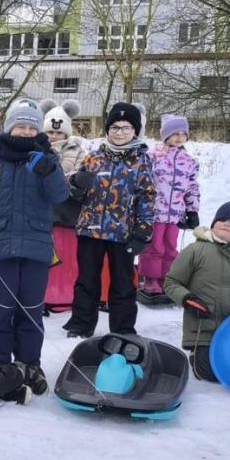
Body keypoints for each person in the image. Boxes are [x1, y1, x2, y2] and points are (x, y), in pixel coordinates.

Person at [0, 99, 69, 393]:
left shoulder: (48, 159)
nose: (26, 132)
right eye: (20, 125)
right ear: (10, 127)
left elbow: (61, 196)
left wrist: (48, 172)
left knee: (30, 310)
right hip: (1, 247)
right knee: (0, 309)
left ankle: (29, 364)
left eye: (31, 127)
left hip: (37, 248)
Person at [64, 102, 155, 339]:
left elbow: (147, 198)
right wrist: (76, 185)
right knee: (86, 280)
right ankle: (80, 324)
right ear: (108, 129)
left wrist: (143, 232)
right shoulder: (93, 158)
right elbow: (77, 196)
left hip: (122, 233)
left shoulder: (142, 161)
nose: (119, 132)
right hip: (90, 230)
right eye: (115, 127)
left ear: (135, 131)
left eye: (126, 128)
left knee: (123, 284)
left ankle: (123, 328)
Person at [164, 202, 230, 381]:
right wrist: (187, 299)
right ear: (213, 224)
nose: (227, 223)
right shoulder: (196, 250)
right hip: (203, 332)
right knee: (211, 373)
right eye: (222, 220)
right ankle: (199, 358)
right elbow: (172, 282)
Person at [140, 114, 200, 299]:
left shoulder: (189, 162)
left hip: (175, 214)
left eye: (183, 133)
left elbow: (192, 187)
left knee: (170, 246)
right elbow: (143, 182)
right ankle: (150, 278)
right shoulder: (153, 157)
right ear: (165, 135)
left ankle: (167, 277)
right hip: (155, 213)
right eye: (175, 133)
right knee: (154, 246)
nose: (179, 137)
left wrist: (192, 210)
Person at [41, 98, 88, 314]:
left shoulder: (78, 151)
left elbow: (82, 175)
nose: (54, 137)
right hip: (45, 213)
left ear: (66, 133)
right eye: (50, 132)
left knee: (67, 255)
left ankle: (67, 293)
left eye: (58, 133)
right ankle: (47, 294)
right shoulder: (39, 150)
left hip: (68, 212)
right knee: (48, 256)